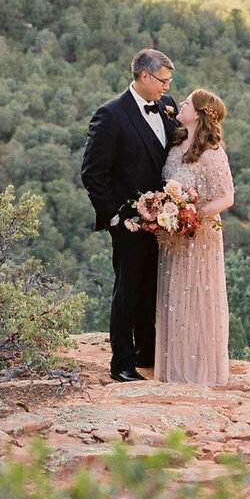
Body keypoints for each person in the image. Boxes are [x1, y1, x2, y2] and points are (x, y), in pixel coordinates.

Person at [80, 48, 179, 382]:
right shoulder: (110, 115)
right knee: (127, 290)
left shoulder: (169, 107)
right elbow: (93, 174)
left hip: (164, 221)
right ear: (144, 76)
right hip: (129, 222)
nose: (167, 87)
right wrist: (116, 218)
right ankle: (121, 364)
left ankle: (146, 353)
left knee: (153, 287)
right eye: (163, 80)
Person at [154, 89, 234, 385]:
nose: (181, 104)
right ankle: (174, 370)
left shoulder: (212, 152)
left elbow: (227, 198)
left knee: (197, 298)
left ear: (199, 114)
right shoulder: (176, 147)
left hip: (199, 236)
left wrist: (191, 215)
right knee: (174, 297)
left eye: (187, 102)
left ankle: (199, 374)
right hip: (173, 236)